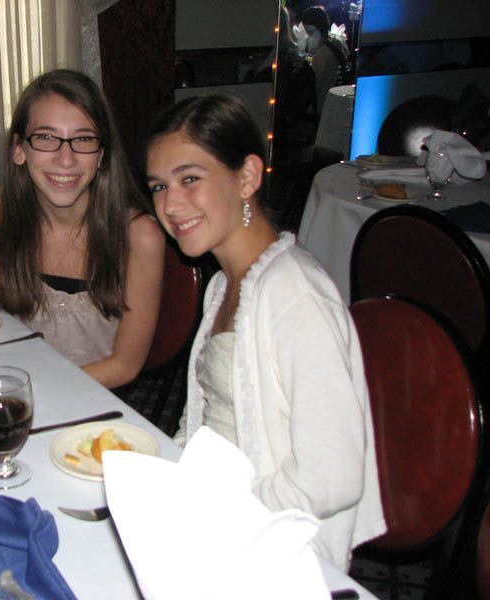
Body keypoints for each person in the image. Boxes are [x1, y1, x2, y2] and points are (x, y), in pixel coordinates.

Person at [144, 94, 385, 570]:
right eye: (157, 186)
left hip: (276, 547)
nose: (169, 204)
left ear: (247, 177)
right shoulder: (223, 285)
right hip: (216, 512)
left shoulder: (294, 293)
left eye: (190, 178)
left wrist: (225, 518)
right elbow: (208, 420)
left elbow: (332, 478)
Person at [0, 69, 165, 390]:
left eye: (84, 139)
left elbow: (125, 366)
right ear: (19, 149)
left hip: (94, 398)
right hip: (16, 384)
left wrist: (36, 390)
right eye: (47, 138)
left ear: (102, 155)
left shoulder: (139, 237)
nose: (66, 159)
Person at [301, 5, 352, 116]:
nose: (307, 37)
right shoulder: (336, 45)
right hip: (334, 105)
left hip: (320, 109)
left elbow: (313, 87)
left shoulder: (322, 55)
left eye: (309, 32)